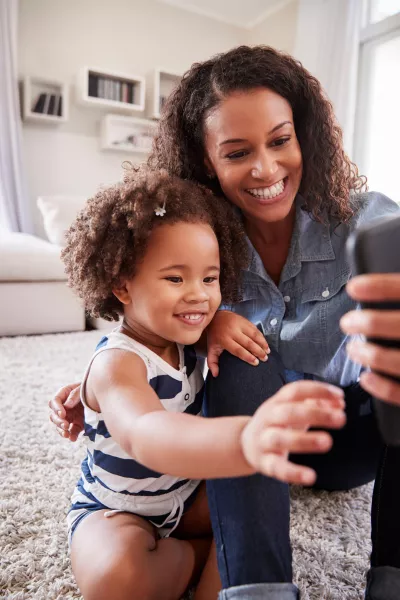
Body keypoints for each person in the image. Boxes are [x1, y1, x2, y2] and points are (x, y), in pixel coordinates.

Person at [50, 46, 400, 600]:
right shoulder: (194, 245)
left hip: (351, 437)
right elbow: (143, 346)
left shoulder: (367, 220)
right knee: (237, 357)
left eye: (280, 141)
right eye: (238, 152)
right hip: (243, 447)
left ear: (304, 134)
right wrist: (207, 326)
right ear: (206, 162)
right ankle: (258, 586)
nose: (265, 169)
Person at [58, 166, 346, 600]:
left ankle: (208, 563)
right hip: (120, 509)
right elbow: (147, 434)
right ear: (122, 285)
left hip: (189, 501)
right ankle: (195, 558)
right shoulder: (117, 364)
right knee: (114, 581)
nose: (199, 295)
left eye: (210, 279)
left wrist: (221, 321)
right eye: (176, 279)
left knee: (249, 518)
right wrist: (244, 438)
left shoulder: (194, 338)